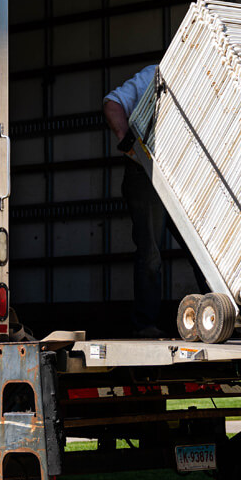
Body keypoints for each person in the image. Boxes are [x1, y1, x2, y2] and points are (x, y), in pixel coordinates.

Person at [103, 65, 167, 338]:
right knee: (150, 251)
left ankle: (220, 316)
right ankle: (145, 323)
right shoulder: (156, 75)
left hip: (180, 175)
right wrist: (126, 141)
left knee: (202, 252)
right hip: (145, 173)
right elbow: (112, 102)